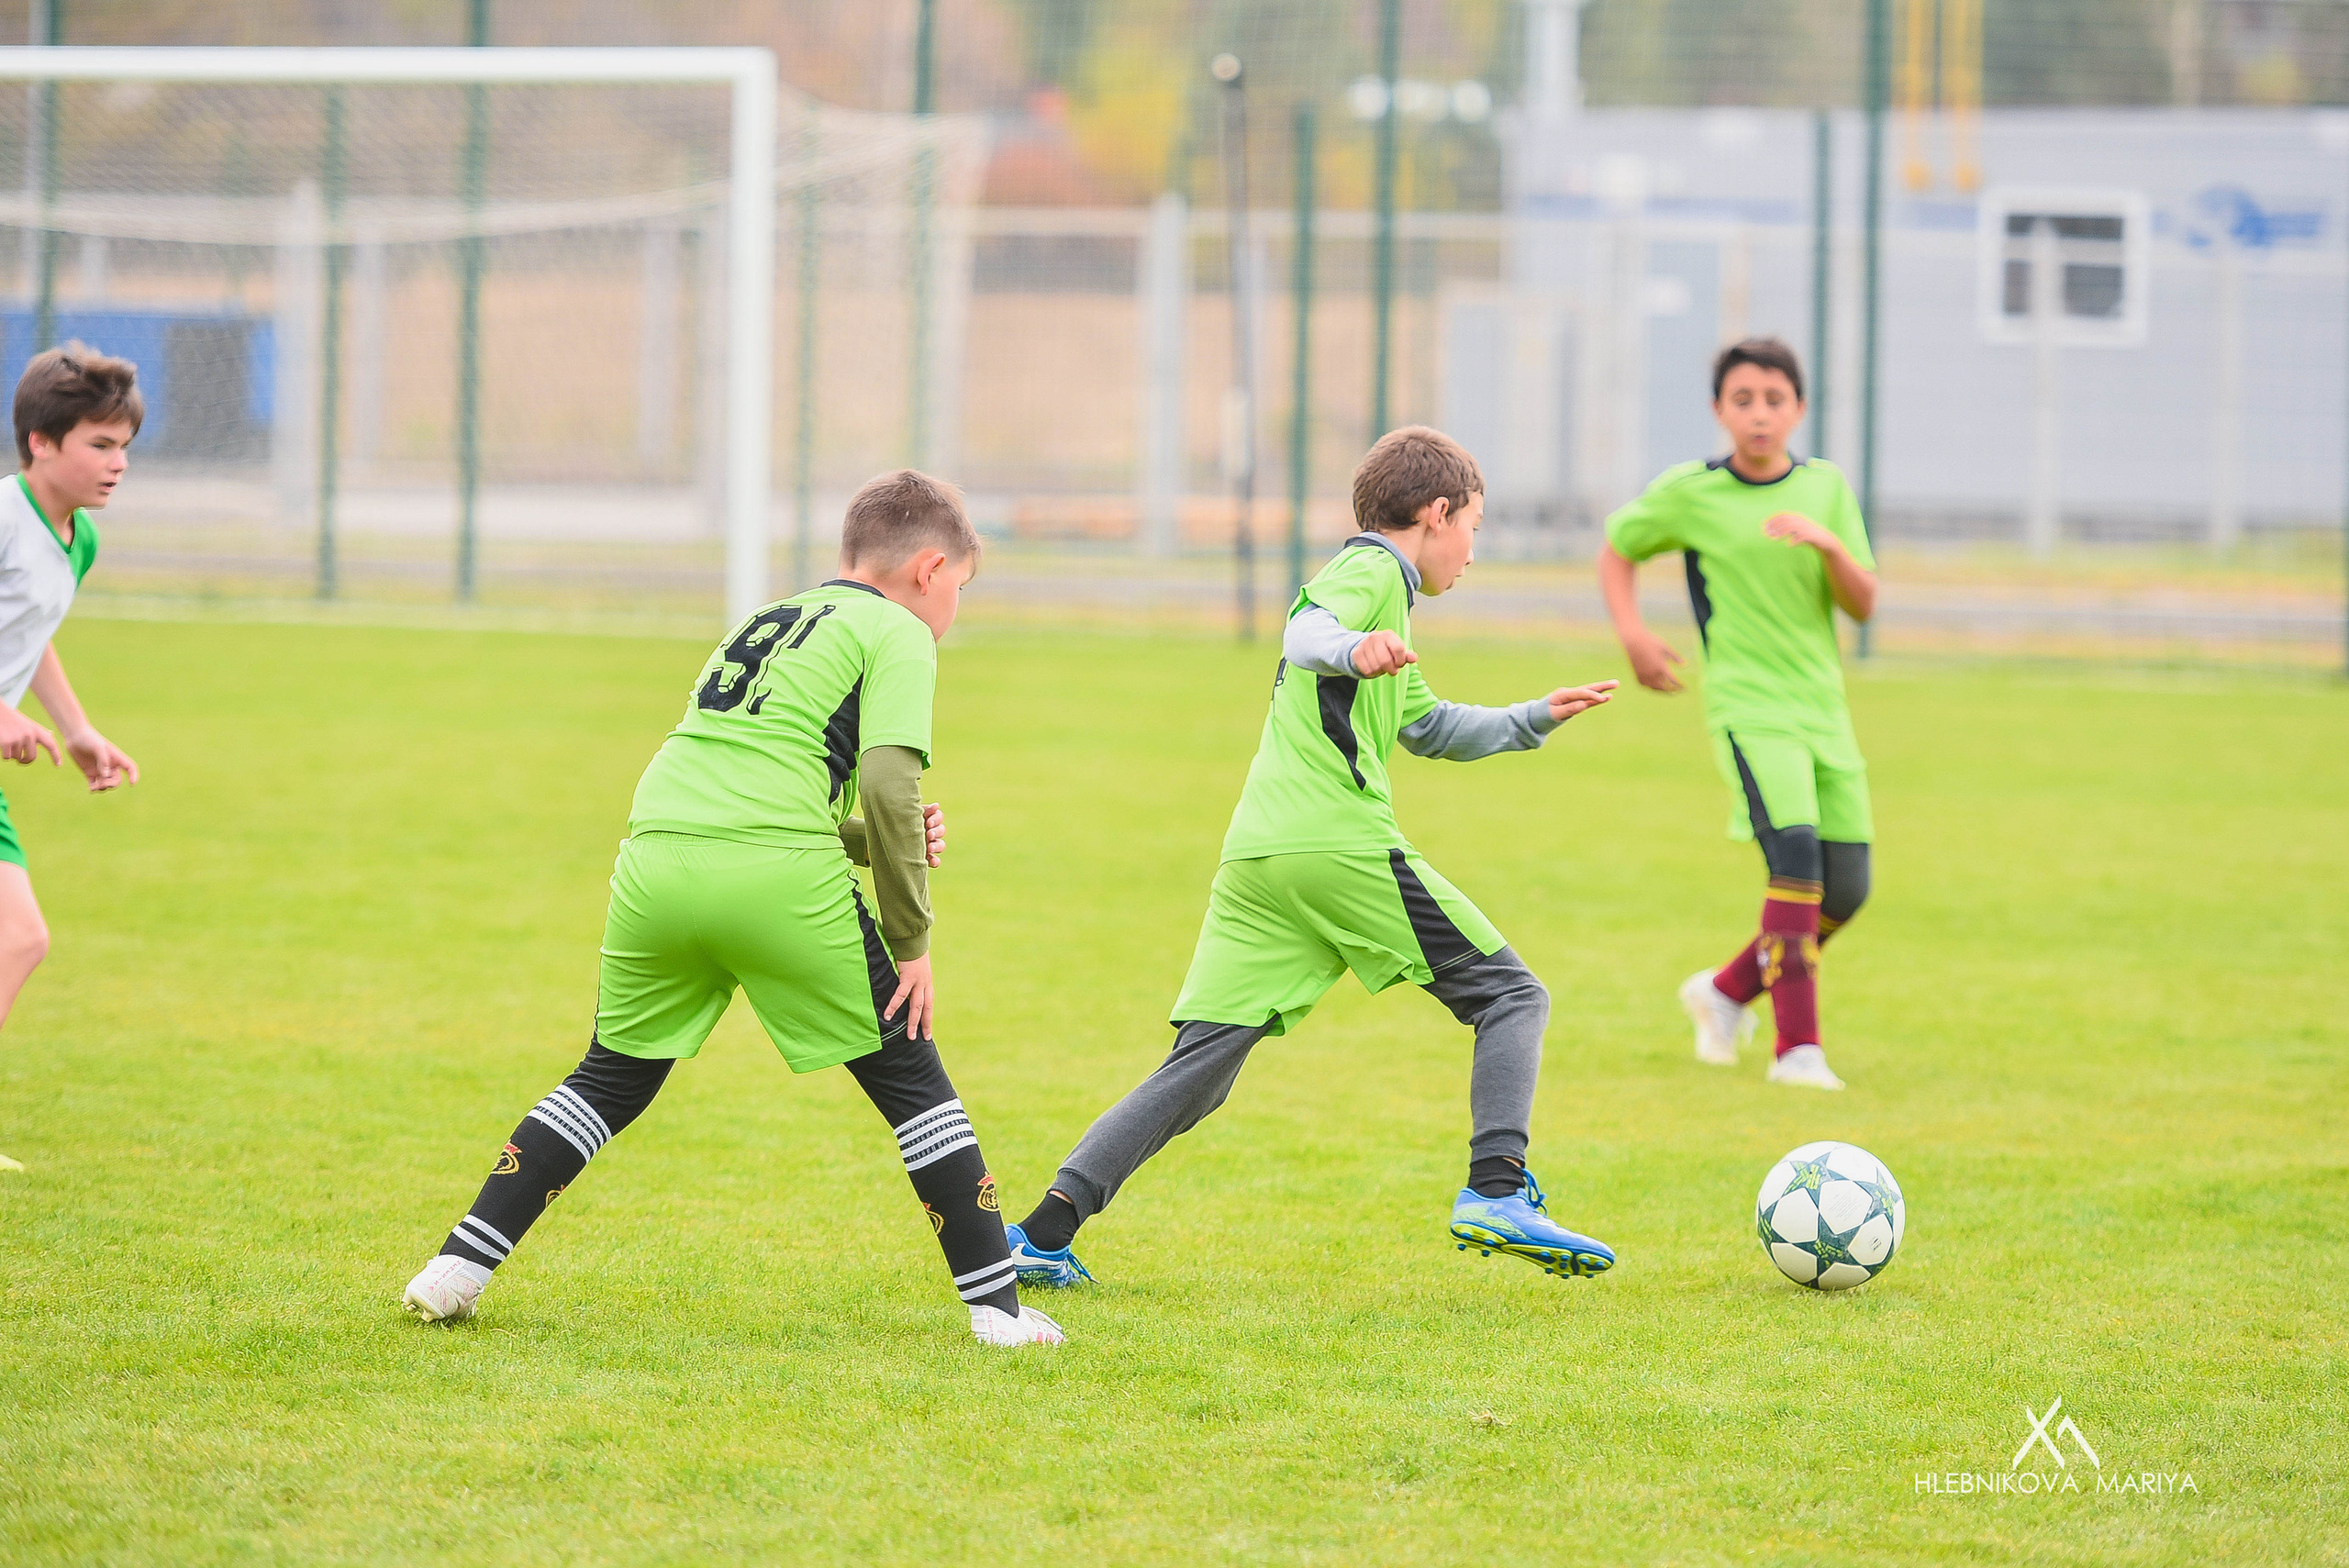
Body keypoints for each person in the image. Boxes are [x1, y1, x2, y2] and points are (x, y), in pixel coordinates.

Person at [403, 470, 1064, 1347]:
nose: (952, 610)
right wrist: (912, 937)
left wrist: (872, 838)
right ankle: (999, 1312)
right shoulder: (899, 630)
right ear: (928, 569)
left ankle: (454, 1269)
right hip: (773, 876)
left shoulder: (769, 618)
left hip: (655, 858)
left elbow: (756, 775)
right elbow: (891, 780)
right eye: (959, 591)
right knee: (912, 1077)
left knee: (610, 1076)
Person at [1007, 427, 1620, 1289]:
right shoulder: (1373, 571)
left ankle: (1039, 1233)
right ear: (1436, 513)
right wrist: (1349, 646)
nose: (1473, 551)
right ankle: (1497, 1188)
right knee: (1512, 994)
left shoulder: (1389, 610)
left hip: (1260, 856)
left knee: (1201, 1069)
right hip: (1334, 843)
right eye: (1474, 526)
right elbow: (1305, 628)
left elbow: (1430, 725)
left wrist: (1534, 716)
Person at [1596, 337, 1878, 1092]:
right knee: (1795, 861)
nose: (1759, 414)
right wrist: (1634, 634)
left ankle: (1723, 993)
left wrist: (1828, 545)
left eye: (1774, 400)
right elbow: (1618, 547)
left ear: (1800, 409)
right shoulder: (1692, 492)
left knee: (1848, 887)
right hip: (1749, 708)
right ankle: (1798, 1051)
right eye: (1743, 400)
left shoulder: (1826, 489)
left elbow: (1864, 603)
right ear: (1720, 410)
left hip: (1823, 707)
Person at [0, 344, 144, 1173]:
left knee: (18, 937)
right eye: (99, 444)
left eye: (124, 445)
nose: (118, 463)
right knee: (18, 936)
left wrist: (77, 727)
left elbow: (32, 633)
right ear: (40, 442)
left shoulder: (76, 537)